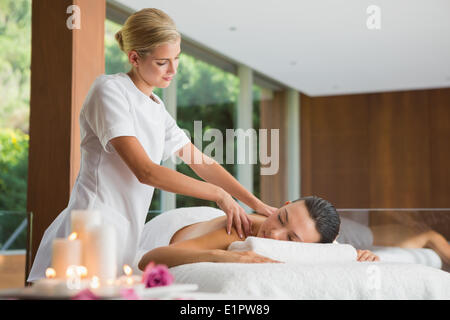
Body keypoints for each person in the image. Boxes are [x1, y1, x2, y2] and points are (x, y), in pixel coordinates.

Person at [28, 8, 276, 281]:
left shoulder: (157, 109)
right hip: (88, 229)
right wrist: (219, 195)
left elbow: (201, 162)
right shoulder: (109, 91)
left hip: (122, 239)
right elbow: (145, 171)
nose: (173, 70)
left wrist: (254, 202)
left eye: (177, 58)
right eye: (162, 62)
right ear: (134, 58)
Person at [137, 196, 380, 270]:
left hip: (205, 219)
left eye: (290, 238)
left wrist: (356, 255)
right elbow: (149, 259)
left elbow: (329, 246)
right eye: (281, 218)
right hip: (171, 226)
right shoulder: (237, 231)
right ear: (283, 206)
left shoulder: (311, 237)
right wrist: (224, 256)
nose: (274, 234)